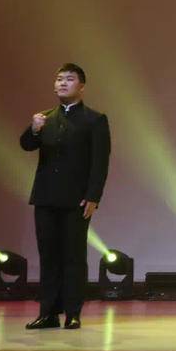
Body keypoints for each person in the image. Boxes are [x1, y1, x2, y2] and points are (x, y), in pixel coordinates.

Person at [20, 63, 111, 330]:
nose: (62, 83)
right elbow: (26, 145)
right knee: (48, 256)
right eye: (59, 79)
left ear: (81, 86)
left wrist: (93, 196)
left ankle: (73, 312)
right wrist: (34, 129)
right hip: (46, 197)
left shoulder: (94, 120)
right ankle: (48, 312)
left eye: (69, 79)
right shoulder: (45, 118)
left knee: (73, 256)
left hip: (77, 200)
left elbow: (100, 163)